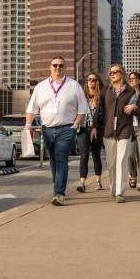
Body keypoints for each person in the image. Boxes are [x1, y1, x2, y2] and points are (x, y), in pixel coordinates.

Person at [26, 56, 88, 206]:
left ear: (64, 68)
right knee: (53, 160)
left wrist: (76, 124)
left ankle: (59, 193)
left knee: (61, 158)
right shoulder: (41, 87)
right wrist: (28, 124)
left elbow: (82, 109)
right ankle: (57, 187)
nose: (58, 68)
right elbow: (32, 109)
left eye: (61, 66)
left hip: (67, 128)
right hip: (47, 129)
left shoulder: (73, 85)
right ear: (50, 67)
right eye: (55, 65)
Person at [92, 63, 136, 203]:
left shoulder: (131, 92)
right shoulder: (106, 90)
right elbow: (99, 110)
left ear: (121, 74)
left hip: (125, 129)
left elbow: (139, 110)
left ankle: (120, 192)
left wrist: (134, 107)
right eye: (110, 73)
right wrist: (94, 126)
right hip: (109, 130)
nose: (112, 75)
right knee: (111, 163)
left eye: (115, 72)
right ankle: (113, 187)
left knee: (122, 160)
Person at [76, 72, 104, 192]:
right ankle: (82, 183)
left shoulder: (101, 97)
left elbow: (104, 115)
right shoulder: (82, 97)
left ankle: (98, 181)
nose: (91, 82)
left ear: (97, 82)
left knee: (96, 155)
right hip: (83, 129)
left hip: (96, 130)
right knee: (84, 155)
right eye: (89, 80)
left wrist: (95, 127)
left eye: (93, 80)